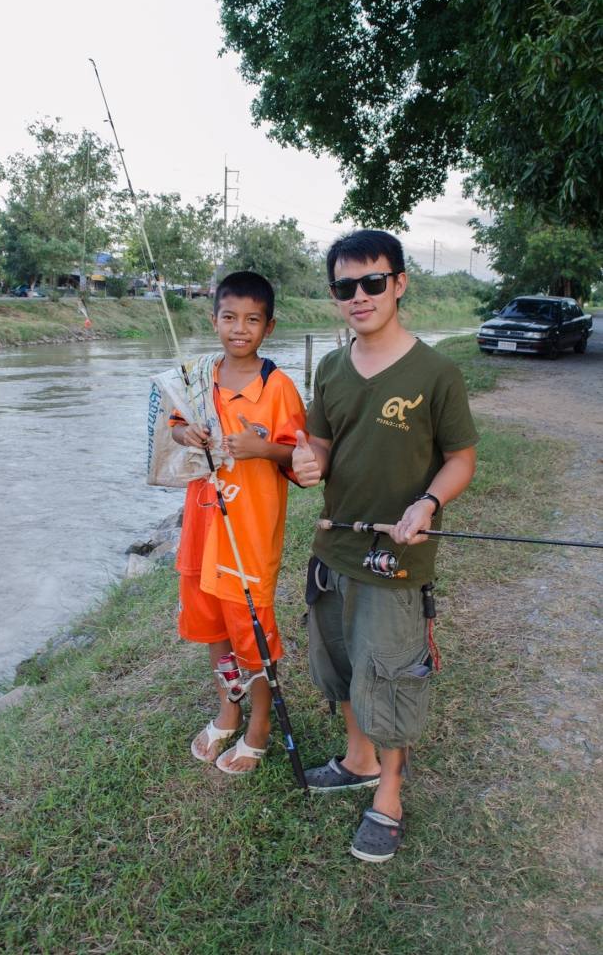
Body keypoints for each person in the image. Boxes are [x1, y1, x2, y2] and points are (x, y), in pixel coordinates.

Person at [292, 229, 478, 862]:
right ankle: (358, 760)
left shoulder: (436, 372)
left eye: (373, 282)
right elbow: (319, 444)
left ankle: (390, 795)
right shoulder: (332, 367)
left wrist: (428, 503)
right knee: (341, 664)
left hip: (396, 560)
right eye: (346, 287)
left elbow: (461, 459)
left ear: (400, 283)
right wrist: (307, 462)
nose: (360, 296)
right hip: (334, 550)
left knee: (391, 677)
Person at [170, 271, 306, 774]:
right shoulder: (199, 375)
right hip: (202, 529)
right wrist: (190, 435)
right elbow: (178, 424)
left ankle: (260, 725)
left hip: (247, 536)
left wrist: (262, 448)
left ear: (269, 327)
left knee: (253, 637)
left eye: (252, 320)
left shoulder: (279, 387)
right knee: (214, 630)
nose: (239, 329)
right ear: (215, 320)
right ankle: (229, 710)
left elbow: (300, 463)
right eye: (229, 317)